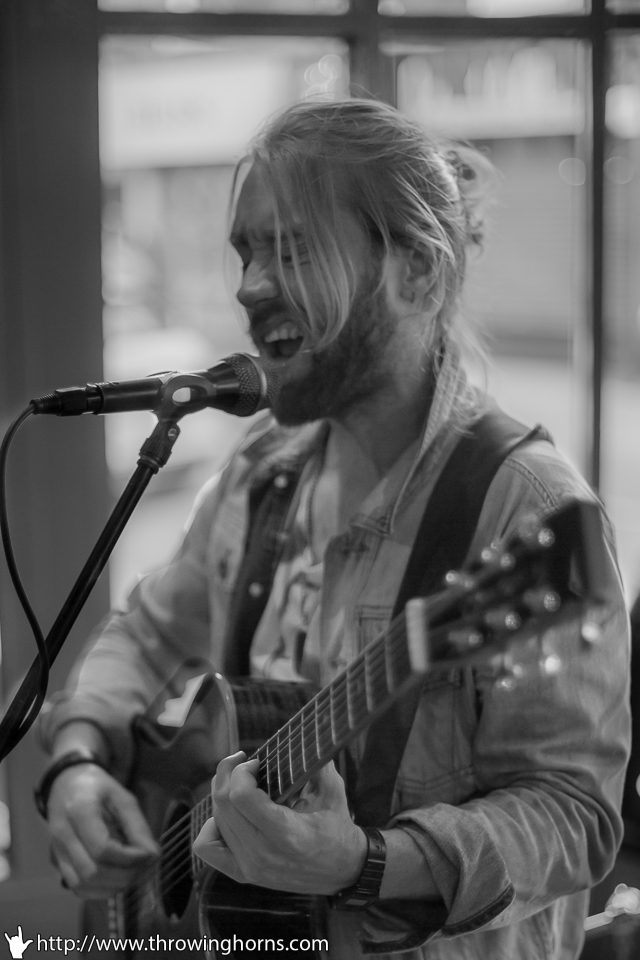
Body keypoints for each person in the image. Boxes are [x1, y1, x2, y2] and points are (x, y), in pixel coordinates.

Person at [37, 99, 630, 959]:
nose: (249, 285)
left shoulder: (523, 508)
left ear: (417, 271)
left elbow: (573, 817)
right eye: (246, 251)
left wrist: (362, 863)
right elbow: (148, 631)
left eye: (294, 249)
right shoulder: (263, 469)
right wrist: (81, 758)